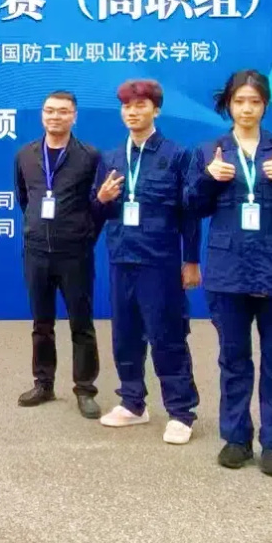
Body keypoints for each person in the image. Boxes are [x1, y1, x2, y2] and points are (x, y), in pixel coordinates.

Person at [185, 69, 272, 477]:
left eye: (255, 102)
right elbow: (191, 205)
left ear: (265, 105)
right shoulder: (210, 151)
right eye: (239, 101)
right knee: (233, 359)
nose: (246, 109)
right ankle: (236, 438)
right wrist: (209, 180)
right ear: (228, 105)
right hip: (228, 273)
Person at [93, 79, 202, 444]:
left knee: (167, 335)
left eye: (140, 105)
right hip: (121, 258)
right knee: (125, 334)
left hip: (160, 262)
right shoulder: (110, 158)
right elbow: (96, 212)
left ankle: (181, 412)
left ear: (156, 110)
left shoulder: (177, 155)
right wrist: (101, 199)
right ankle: (132, 402)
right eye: (127, 106)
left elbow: (189, 213)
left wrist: (191, 261)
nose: (132, 112)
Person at [13, 90, 103, 418]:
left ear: (74, 116)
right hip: (37, 252)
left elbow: (97, 204)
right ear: (42, 115)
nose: (55, 116)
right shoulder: (26, 155)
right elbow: (25, 198)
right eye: (50, 110)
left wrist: (83, 235)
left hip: (74, 253)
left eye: (63, 111)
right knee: (41, 323)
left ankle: (85, 389)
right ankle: (44, 383)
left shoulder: (89, 156)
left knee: (82, 323)